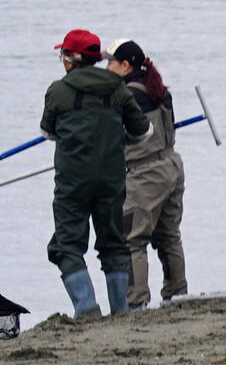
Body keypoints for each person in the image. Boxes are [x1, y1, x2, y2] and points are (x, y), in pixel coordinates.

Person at [42, 29, 149, 317]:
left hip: (72, 182)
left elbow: (47, 131)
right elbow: (143, 131)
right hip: (112, 180)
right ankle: (121, 310)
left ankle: (87, 308)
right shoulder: (117, 88)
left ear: (70, 60)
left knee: (66, 246)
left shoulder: (58, 90)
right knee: (114, 243)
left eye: (62, 54)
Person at [108, 39, 186, 309]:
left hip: (144, 173)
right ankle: (178, 296)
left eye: (111, 62)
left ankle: (136, 302)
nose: (107, 67)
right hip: (172, 165)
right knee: (169, 235)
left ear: (125, 65)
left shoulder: (127, 96)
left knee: (133, 240)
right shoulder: (159, 89)